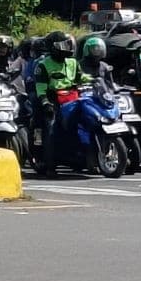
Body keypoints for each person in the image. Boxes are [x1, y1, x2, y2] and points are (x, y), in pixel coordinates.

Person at [33, 31, 83, 176]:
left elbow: (82, 79)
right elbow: (40, 89)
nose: (68, 47)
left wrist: (95, 82)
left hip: (72, 97)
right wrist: (46, 103)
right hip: (52, 99)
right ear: (53, 47)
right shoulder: (43, 65)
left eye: (69, 44)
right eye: (64, 45)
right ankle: (50, 164)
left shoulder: (73, 62)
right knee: (51, 127)